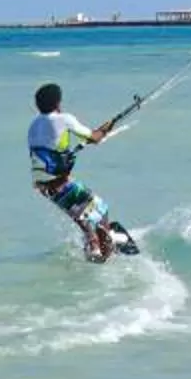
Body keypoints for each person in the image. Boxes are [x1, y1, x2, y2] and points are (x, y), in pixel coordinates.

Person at [27, 82, 139, 261]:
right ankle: (99, 249)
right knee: (101, 209)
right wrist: (104, 130)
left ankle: (93, 246)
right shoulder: (64, 118)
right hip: (60, 183)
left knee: (81, 216)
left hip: (42, 186)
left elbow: (50, 149)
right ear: (57, 103)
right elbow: (94, 137)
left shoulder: (33, 125)